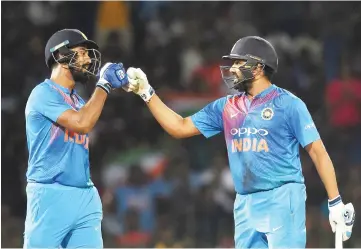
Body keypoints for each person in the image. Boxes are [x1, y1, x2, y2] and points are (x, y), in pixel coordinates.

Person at [124, 36, 355, 248]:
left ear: (257, 67)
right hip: (245, 202)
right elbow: (179, 127)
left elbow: (318, 152)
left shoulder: (289, 104)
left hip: (283, 198)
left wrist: (335, 201)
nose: (232, 69)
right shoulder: (225, 106)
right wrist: (147, 93)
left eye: (238, 62)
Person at [24, 29, 129, 248]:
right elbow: (82, 123)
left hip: (85, 195)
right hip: (50, 195)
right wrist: (104, 84)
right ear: (61, 55)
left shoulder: (80, 101)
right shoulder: (43, 94)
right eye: (82, 52)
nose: (89, 59)